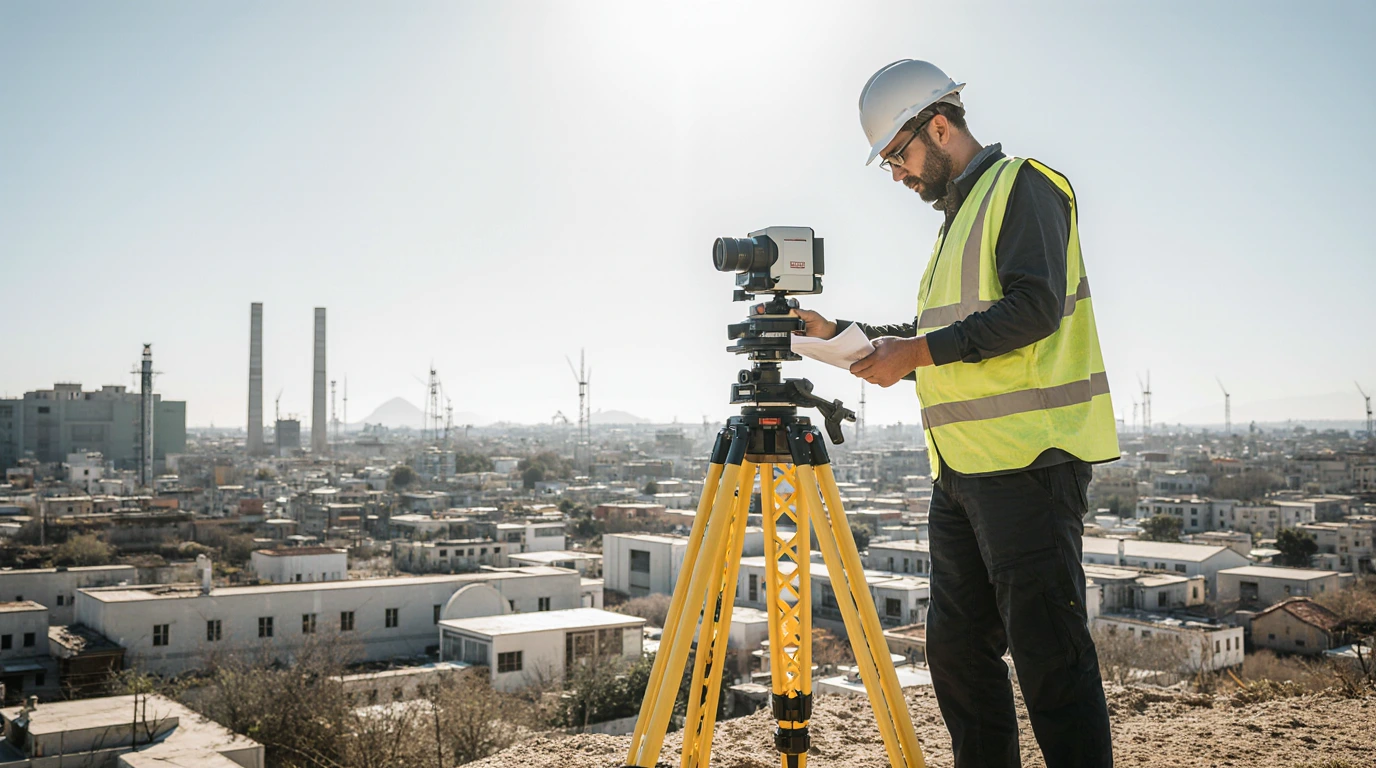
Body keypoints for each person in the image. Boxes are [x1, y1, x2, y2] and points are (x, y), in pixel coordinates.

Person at [794, 60, 1120, 768]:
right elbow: (936, 335)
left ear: (939, 127)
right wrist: (840, 333)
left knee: (1051, 659)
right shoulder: (955, 222)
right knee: (956, 650)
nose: (897, 175)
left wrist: (916, 352)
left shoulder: (1024, 186)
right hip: (962, 471)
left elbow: (1035, 308)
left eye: (898, 156)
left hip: (1029, 464)